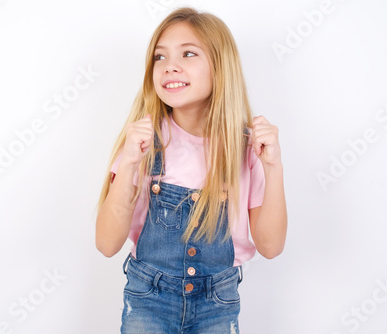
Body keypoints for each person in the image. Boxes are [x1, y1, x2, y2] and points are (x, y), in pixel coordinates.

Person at [95, 7, 287, 334]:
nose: (170, 65)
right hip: (148, 300)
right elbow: (107, 244)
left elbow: (270, 246)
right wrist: (127, 163)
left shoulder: (244, 149)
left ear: (220, 68)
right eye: (160, 56)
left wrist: (273, 167)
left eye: (188, 53)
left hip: (217, 304)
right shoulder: (142, 144)